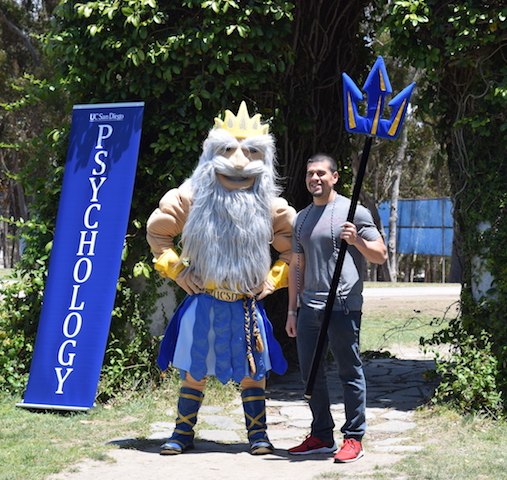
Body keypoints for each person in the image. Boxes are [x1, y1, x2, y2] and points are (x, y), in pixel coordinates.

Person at [147, 102, 296, 456]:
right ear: (211, 154)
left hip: (245, 306)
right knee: (193, 371)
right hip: (204, 302)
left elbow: (293, 251)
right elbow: (157, 235)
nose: (240, 162)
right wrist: (178, 271)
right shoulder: (188, 199)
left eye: (252, 152)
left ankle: (258, 436)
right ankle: (183, 434)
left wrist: (273, 280)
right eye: (227, 150)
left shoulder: (273, 207)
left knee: (254, 371)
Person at [285, 153, 387, 463]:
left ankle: (354, 437)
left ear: (334, 177)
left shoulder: (353, 211)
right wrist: (292, 309)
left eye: (320, 173)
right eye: (310, 174)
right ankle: (321, 435)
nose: (314, 179)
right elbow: (296, 266)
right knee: (311, 373)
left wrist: (356, 240)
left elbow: (380, 255)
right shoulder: (301, 218)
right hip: (309, 308)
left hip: (343, 305)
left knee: (348, 371)